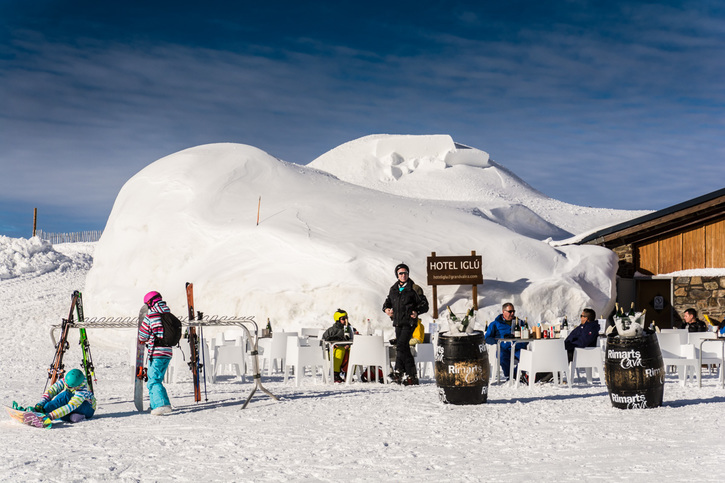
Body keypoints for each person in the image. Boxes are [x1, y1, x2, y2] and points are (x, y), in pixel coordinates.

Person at [382, 263, 429, 386]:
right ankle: (400, 372)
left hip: (409, 322)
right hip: (397, 322)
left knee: (402, 345)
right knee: (401, 346)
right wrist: (387, 309)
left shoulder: (414, 288)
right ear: (397, 275)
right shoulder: (393, 289)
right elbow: (387, 302)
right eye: (401, 273)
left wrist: (416, 312)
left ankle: (410, 375)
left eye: (405, 273)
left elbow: (425, 305)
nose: (403, 275)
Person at [138, 291, 174, 415]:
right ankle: (154, 405)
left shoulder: (151, 316)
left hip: (156, 352)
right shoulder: (168, 314)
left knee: (153, 379)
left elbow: (142, 336)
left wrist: (144, 338)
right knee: (155, 378)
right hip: (167, 352)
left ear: (150, 303)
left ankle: (162, 404)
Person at [484, 302, 528, 380]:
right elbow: (487, 338)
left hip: (517, 348)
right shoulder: (495, 324)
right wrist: (497, 341)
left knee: (526, 356)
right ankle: (510, 375)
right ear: (503, 312)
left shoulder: (519, 322)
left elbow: (526, 336)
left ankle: (516, 374)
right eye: (510, 311)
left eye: (513, 311)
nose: (512, 313)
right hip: (504, 349)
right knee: (502, 356)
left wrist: (523, 342)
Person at [322, 309, 356, 383]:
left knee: (354, 352)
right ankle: (335, 374)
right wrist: (331, 344)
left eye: (346, 318)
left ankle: (349, 373)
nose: (345, 320)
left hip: (347, 349)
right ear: (337, 320)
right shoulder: (331, 330)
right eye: (343, 319)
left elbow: (354, 339)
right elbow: (323, 341)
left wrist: (349, 344)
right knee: (340, 351)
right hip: (334, 351)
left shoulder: (350, 329)